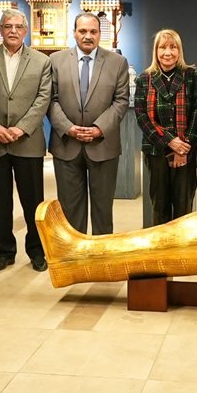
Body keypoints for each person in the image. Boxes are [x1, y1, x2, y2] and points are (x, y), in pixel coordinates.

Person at [0, 10, 53, 272]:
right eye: (8, 26)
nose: (13, 31)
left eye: (18, 26)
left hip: (27, 142)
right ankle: (4, 252)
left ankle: (37, 251)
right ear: (1, 30)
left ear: (26, 30)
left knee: (33, 201)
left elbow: (43, 98)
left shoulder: (42, 61)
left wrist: (21, 128)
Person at [48, 14, 131, 235]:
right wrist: (68, 128)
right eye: (83, 31)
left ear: (100, 34)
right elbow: (50, 100)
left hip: (103, 146)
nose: (88, 36)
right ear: (74, 33)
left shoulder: (117, 62)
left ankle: (101, 253)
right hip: (66, 145)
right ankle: (76, 253)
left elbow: (121, 101)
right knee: (70, 211)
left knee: (103, 211)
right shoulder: (55, 60)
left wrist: (99, 129)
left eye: (93, 31)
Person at [134, 29, 197, 224]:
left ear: (179, 51)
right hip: (156, 150)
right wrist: (170, 142)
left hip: (187, 150)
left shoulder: (191, 75)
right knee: (160, 205)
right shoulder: (144, 78)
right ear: (156, 51)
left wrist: (183, 147)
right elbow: (142, 116)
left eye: (173, 47)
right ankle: (162, 243)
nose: (168, 53)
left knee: (184, 206)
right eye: (162, 47)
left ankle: (182, 243)